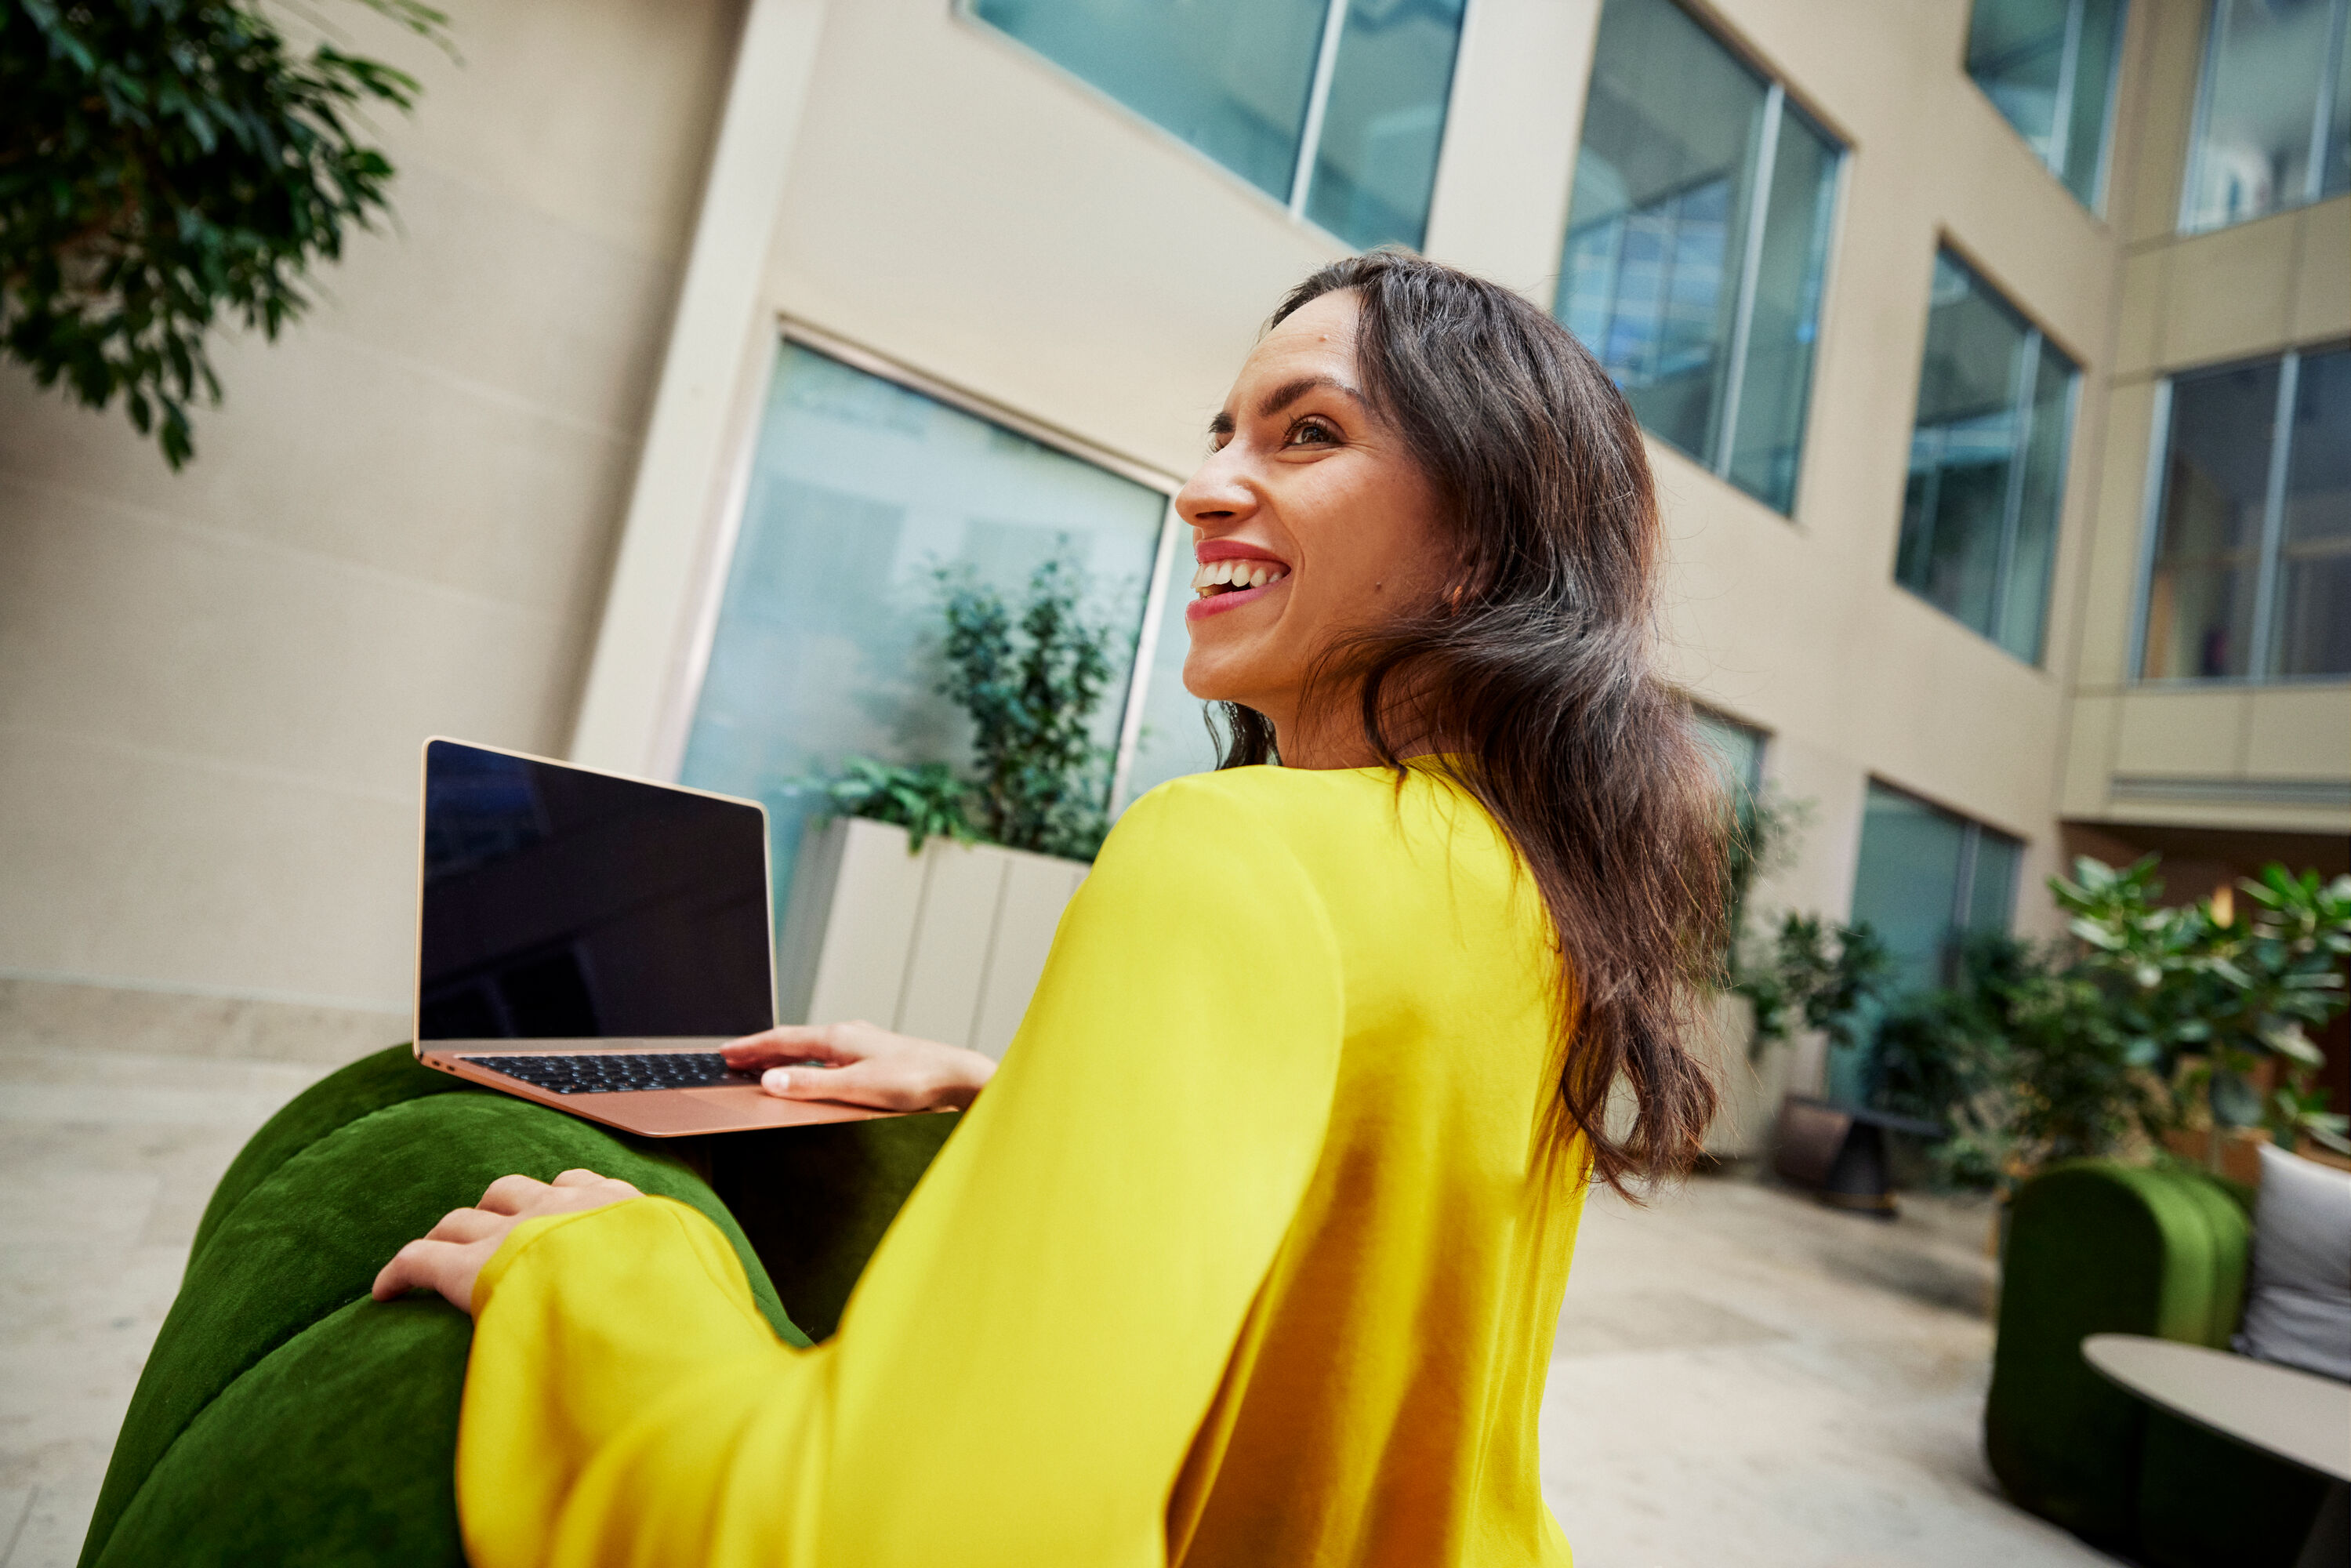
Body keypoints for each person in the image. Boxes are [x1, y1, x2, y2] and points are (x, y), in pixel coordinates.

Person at [374, 251, 1728, 1566]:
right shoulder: (1533, 887)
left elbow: (887, 1537)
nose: (1203, 490)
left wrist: (596, 1271)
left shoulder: (1237, 855)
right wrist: (1021, 1092)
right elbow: (1373, 1199)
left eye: (1307, 433)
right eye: (1219, 436)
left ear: (1480, 551)